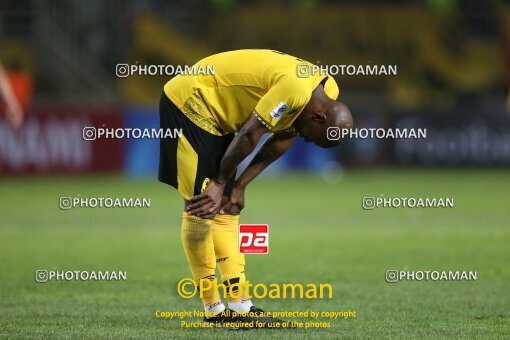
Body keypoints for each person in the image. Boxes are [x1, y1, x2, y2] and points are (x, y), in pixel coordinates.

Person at [158, 49, 352, 328]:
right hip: (192, 101)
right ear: (318, 118)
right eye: (313, 138)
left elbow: (284, 137)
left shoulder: (326, 91)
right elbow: (250, 134)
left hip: (223, 114)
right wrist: (221, 182)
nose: (307, 142)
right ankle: (213, 310)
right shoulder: (295, 89)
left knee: (225, 209)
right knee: (201, 206)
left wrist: (240, 185)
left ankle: (240, 307)